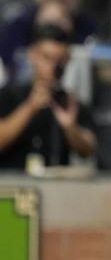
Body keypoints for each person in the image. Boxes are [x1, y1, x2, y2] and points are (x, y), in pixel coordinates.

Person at [0, 23, 97, 170]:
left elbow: (88, 149)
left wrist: (70, 127)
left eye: (59, 60)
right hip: (12, 188)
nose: (53, 67)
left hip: (55, 188)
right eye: (47, 58)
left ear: (68, 60)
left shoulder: (69, 102)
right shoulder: (8, 95)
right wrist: (30, 107)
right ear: (32, 55)